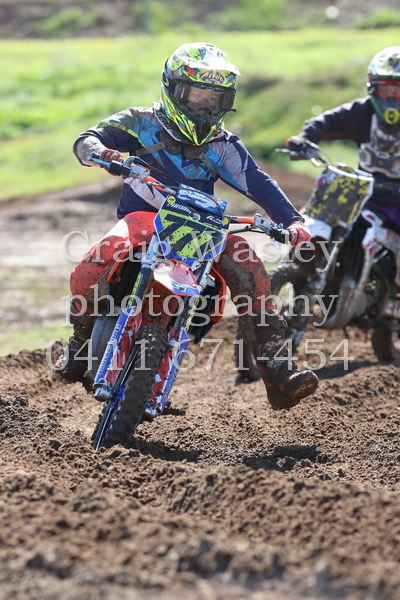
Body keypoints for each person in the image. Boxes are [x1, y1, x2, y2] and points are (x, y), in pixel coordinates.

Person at [53, 42, 318, 411]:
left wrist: (293, 221)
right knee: (90, 268)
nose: (205, 107)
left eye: (215, 99)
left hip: (203, 230)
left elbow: (259, 184)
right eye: (197, 96)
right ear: (174, 90)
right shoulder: (141, 122)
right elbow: (87, 138)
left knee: (253, 273)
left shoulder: (223, 145)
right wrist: (100, 153)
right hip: (145, 219)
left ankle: (278, 373)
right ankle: (80, 345)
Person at [286, 46, 400, 234]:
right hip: (365, 195)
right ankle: (297, 252)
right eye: (386, 90)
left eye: (398, 91)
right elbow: (327, 122)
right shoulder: (362, 111)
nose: (392, 98)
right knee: (314, 217)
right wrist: (304, 139)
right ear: (373, 88)